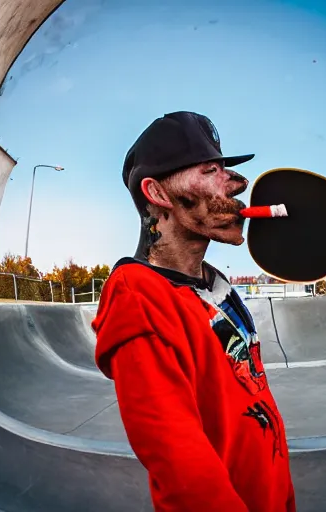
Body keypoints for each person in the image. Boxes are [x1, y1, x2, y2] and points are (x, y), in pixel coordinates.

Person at [92, 111, 296, 512]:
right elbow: (186, 479)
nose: (238, 184)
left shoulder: (215, 285)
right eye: (211, 171)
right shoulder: (139, 300)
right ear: (158, 193)